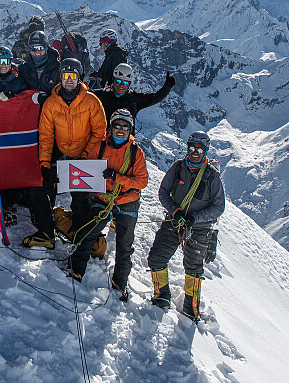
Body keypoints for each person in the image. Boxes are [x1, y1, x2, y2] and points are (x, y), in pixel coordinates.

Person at [62, 110, 148, 302]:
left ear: (130, 130)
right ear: (111, 127)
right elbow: (88, 169)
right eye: (117, 125)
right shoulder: (100, 147)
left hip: (127, 201)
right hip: (104, 198)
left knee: (125, 245)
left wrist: (117, 178)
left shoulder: (136, 152)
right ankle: (76, 270)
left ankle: (120, 283)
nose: (120, 130)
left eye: (125, 127)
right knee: (88, 233)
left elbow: (142, 181)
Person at [22, 58, 107, 249]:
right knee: (38, 189)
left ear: (79, 78)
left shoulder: (92, 102)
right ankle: (46, 232)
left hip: (83, 157)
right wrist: (44, 163)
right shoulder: (52, 103)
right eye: (65, 75)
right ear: (60, 77)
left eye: (73, 76)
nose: (69, 80)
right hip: (61, 155)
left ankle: (82, 237)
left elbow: (99, 132)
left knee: (81, 200)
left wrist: (86, 156)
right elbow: (45, 135)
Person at [147, 130, 225, 319]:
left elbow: (218, 207)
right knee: (156, 258)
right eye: (192, 148)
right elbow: (163, 192)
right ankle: (161, 297)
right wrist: (176, 212)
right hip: (176, 221)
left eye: (199, 149)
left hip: (198, 228)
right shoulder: (178, 167)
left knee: (193, 269)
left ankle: (191, 308)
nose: (195, 152)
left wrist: (194, 218)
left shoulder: (211, 176)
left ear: (205, 150)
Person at [0, 46, 30, 227]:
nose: (3, 65)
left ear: (11, 62)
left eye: (6, 61)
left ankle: (8, 203)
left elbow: (26, 101)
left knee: (10, 167)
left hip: (12, 130)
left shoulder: (18, 81)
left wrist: (13, 98)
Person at [92, 63, 176, 122]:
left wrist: (166, 88)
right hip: (104, 140)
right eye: (118, 81)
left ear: (129, 84)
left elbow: (155, 98)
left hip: (126, 143)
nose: (121, 85)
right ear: (113, 80)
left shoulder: (134, 98)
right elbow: (86, 95)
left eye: (125, 83)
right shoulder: (103, 95)